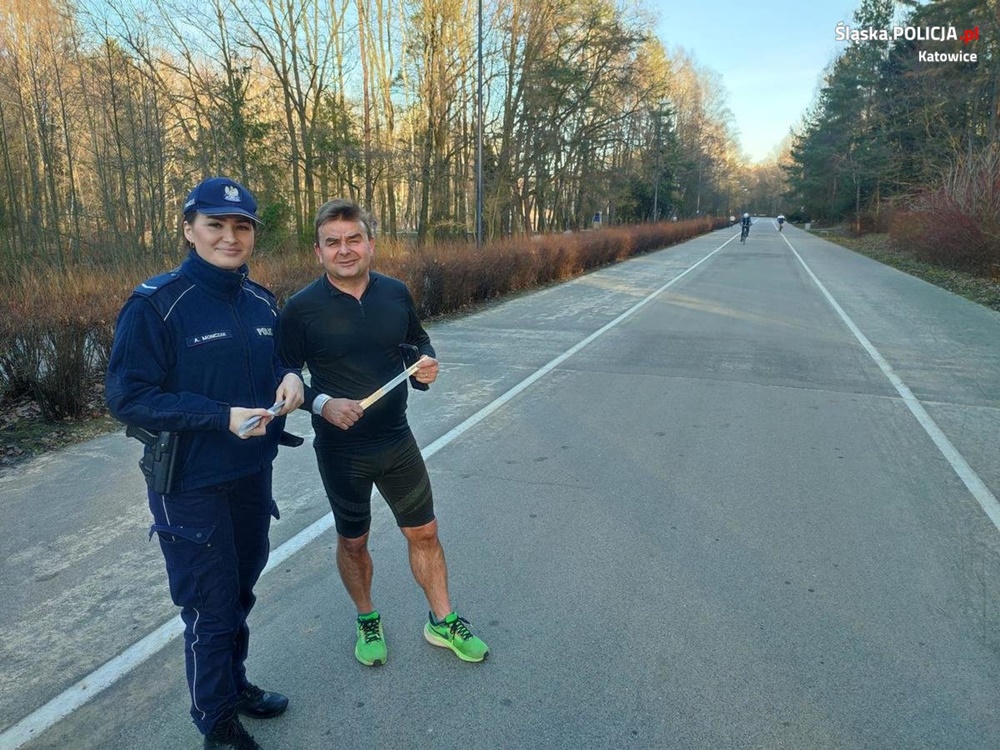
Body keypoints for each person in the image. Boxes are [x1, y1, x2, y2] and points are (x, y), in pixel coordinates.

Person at [106, 177, 304, 750]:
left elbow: (276, 365)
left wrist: (289, 378)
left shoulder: (262, 301)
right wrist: (219, 415)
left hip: (250, 475)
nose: (229, 236)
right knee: (210, 608)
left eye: (241, 226)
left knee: (239, 594)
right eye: (215, 224)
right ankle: (215, 724)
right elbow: (127, 396)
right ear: (190, 229)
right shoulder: (158, 304)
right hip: (190, 485)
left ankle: (234, 687)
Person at [276, 198, 489, 668]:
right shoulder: (301, 309)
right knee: (353, 542)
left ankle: (443, 621)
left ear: (371, 245)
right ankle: (367, 617)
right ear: (318, 252)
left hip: (397, 441)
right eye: (333, 242)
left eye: (354, 239)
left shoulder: (395, 293)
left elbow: (417, 343)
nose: (344, 249)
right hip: (341, 451)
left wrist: (425, 368)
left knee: (426, 533)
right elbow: (285, 372)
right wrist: (322, 404)